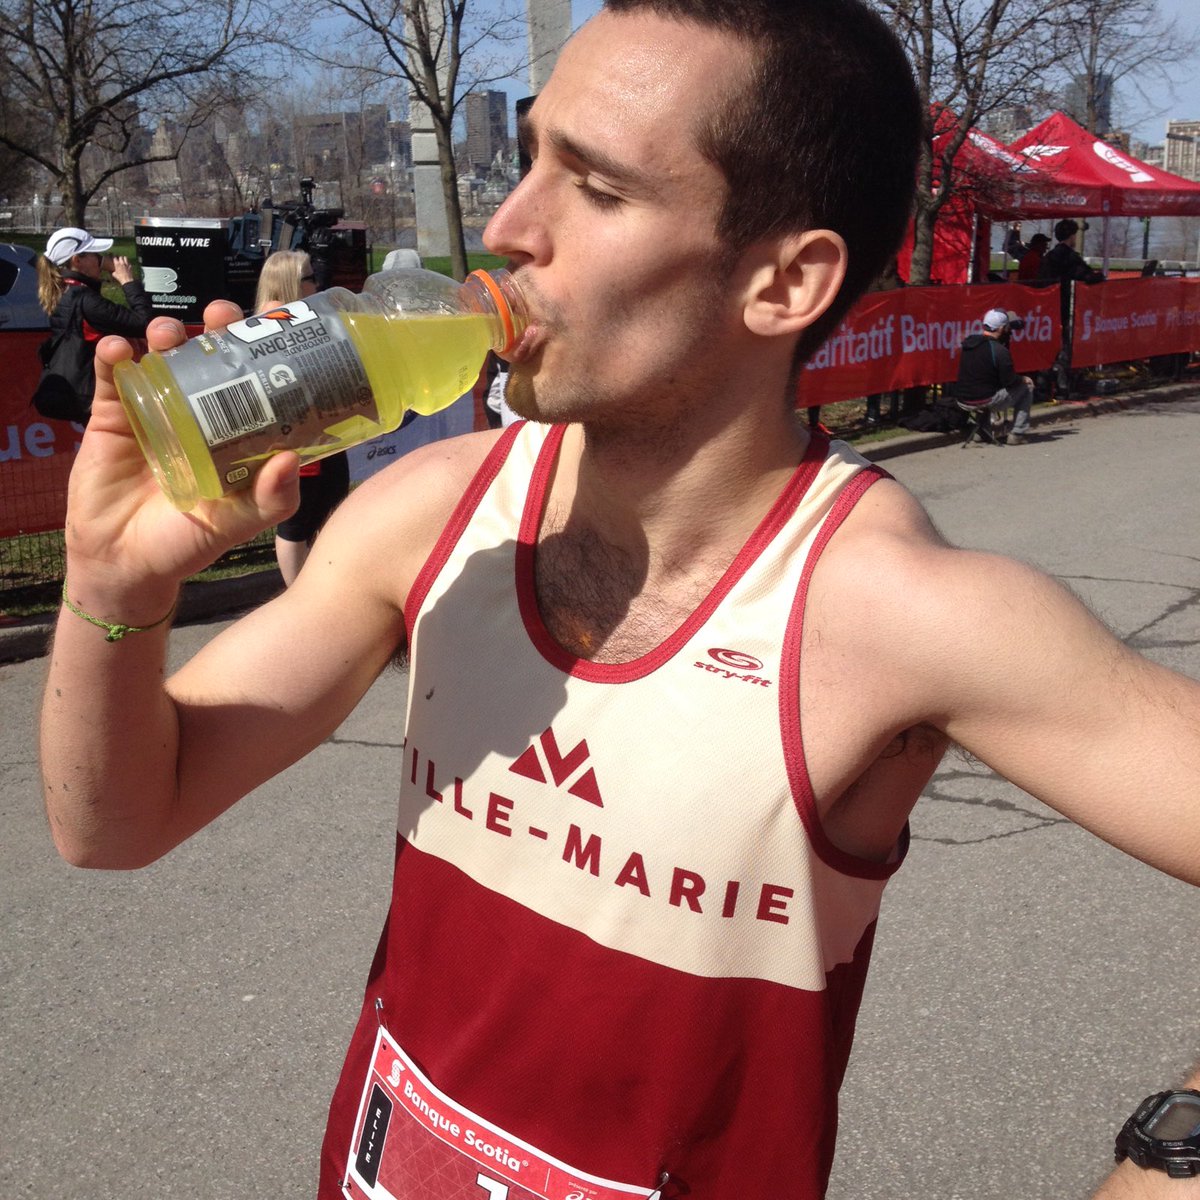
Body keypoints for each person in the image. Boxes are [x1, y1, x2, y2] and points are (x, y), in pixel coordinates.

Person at [38, 4, 1200, 1200]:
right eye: (533, 153)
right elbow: (116, 824)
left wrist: (1172, 1157)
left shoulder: (900, 611)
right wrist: (115, 588)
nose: (506, 228)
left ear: (784, 282)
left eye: (593, 189)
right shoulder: (436, 512)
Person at [254, 250, 351, 586]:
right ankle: (297, 590)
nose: (317, 282)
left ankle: (317, 582)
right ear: (291, 283)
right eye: (310, 277)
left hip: (323, 426)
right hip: (299, 434)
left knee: (328, 506)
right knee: (298, 519)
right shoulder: (270, 321)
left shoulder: (298, 314)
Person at [34, 226, 154, 422]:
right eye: (95, 254)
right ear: (77, 260)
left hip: (72, 390)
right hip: (88, 395)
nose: (100, 259)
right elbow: (144, 323)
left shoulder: (62, 291)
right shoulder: (85, 299)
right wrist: (127, 281)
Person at [955, 307, 1035, 443]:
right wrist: (1022, 378)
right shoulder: (999, 350)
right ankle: (1017, 433)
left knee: (985, 389)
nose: (1010, 331)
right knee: (1027, 387)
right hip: (984, 400)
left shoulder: (968, 345)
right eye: (1008, 328)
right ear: (1001, 328)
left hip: (963, 400)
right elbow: (1010, 381)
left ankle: (982, 432)